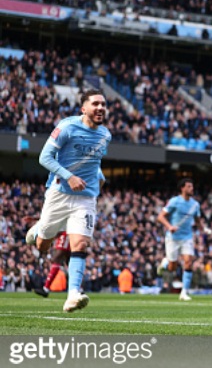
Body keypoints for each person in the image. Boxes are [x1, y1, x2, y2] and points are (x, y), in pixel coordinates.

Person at [25, 89, 111, 312]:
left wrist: (99, 180)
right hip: (59, 193)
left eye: (103, 104)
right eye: (95, 104)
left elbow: (94, 161)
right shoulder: (67, 127)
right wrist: (69, 176)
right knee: (43, 245)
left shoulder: (105, 135)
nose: (100, 108)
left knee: (80, 245)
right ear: (84, 108)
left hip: (85, 198)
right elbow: (44, 157)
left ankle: (73, 294)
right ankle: (39, 229)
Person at [156, 178, 210, 301]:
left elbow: (197, 221)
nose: (192, 189)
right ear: (182, 188)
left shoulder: (195, 205)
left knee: (188, 261)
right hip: (173, 238)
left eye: (192, 186)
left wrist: (204, 229)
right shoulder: (174, 201)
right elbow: (160, 217)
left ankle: (184, 293)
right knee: (172, 267)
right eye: (189, 186)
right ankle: (165, 263)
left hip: (187, 238)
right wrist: (169, 227)